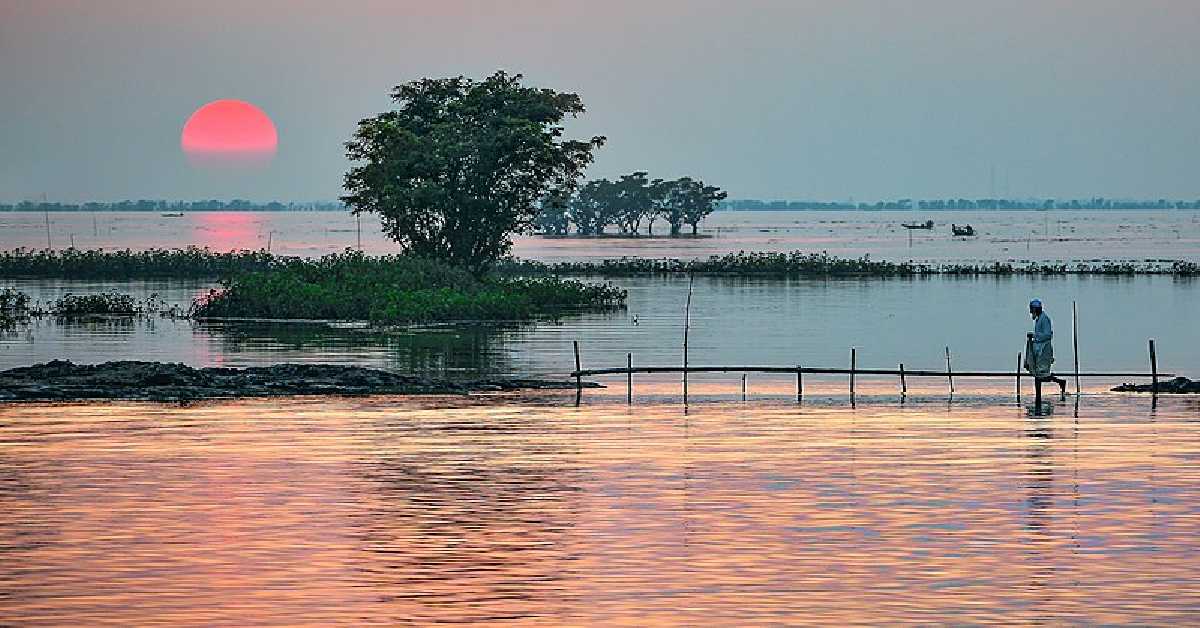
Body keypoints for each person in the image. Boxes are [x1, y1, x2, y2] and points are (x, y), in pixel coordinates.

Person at [1024, 298, 1066, 395]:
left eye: (1031, 309)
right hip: (1039, 350)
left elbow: (1047, 335)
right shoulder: (1039, 319)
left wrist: (1034, 336)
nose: (1030, 312)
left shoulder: (1045, 319)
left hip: (1044, 350)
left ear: (1035, 309)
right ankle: (1038, 395)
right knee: (1038, 374)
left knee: (1041, 375)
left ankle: (1060, 382)